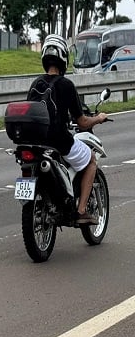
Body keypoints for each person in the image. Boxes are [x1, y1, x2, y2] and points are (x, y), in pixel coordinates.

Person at [32, 34, 107, 224]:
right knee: (90, 158)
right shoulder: (66, 85)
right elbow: (81, 122)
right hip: (59, 141)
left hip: (36, 141)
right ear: (64, 58)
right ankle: (81, 210)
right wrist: (98, 118)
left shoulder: (36, 83)